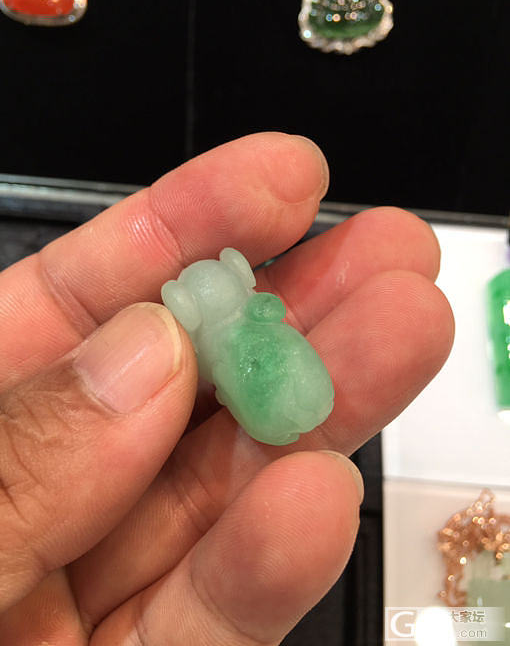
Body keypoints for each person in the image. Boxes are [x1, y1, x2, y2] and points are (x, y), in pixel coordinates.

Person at [0, 132, 454, 644]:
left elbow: (230, 367)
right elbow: (221, 378)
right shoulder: (227, 333)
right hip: (268, 385)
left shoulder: (240, 323)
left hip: (282, 374)